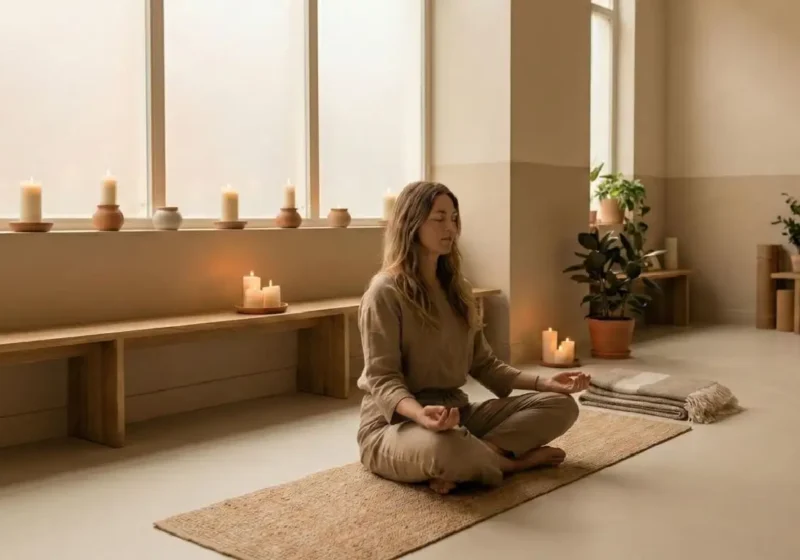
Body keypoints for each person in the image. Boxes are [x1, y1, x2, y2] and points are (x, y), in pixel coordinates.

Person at [356, 181, 590, 495]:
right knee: (446, 447)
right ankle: (512, 464)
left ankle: (481, 456)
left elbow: (485, 364)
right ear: (411, 223)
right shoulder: (384, 292)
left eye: (454, 218)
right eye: (439, 218)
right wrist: (420, 415)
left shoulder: (459, 289)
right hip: (393, 426)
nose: (450, 227)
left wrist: (545, 383)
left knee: (562, 406)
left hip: (457, 417)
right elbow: (382, 379)